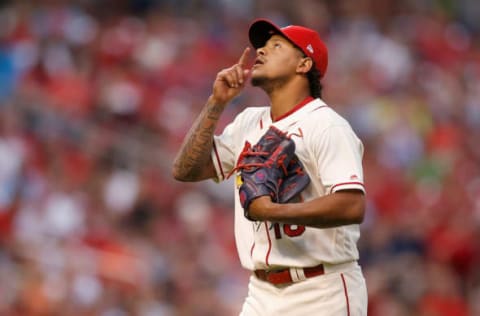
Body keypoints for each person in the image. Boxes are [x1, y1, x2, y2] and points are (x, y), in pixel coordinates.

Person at [173, 18, 368, 316]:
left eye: (276, 46)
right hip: (262, 293)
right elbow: (185, 170)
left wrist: (273, 211)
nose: (261, 51)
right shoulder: (249, 122)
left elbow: (352, 206)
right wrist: (216, 103)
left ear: (303, 65)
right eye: (262, 45)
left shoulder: (326, 125)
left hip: (322, 289)